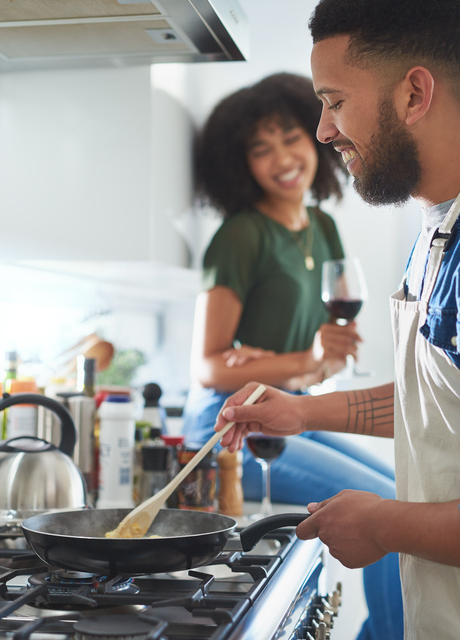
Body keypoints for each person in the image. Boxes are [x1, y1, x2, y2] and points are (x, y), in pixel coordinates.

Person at [215, 1, 460, 637]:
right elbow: (435, 405)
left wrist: (384, 524)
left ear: (413, 94)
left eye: (335, 101)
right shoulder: (435, 229)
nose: (324, 131)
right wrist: (303, 411)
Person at [181, 72, 403, 640]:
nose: (282, 157)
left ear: (316, 137)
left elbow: (321, 363)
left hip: (292, 410)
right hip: (228, 425)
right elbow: (208, 367)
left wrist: (315, 361)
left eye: (290, 137)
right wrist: (302, 359)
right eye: (261, 149)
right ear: (240, 164)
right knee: (386, 508)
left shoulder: (322, 226)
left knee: (408, 493)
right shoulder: (240, 235)